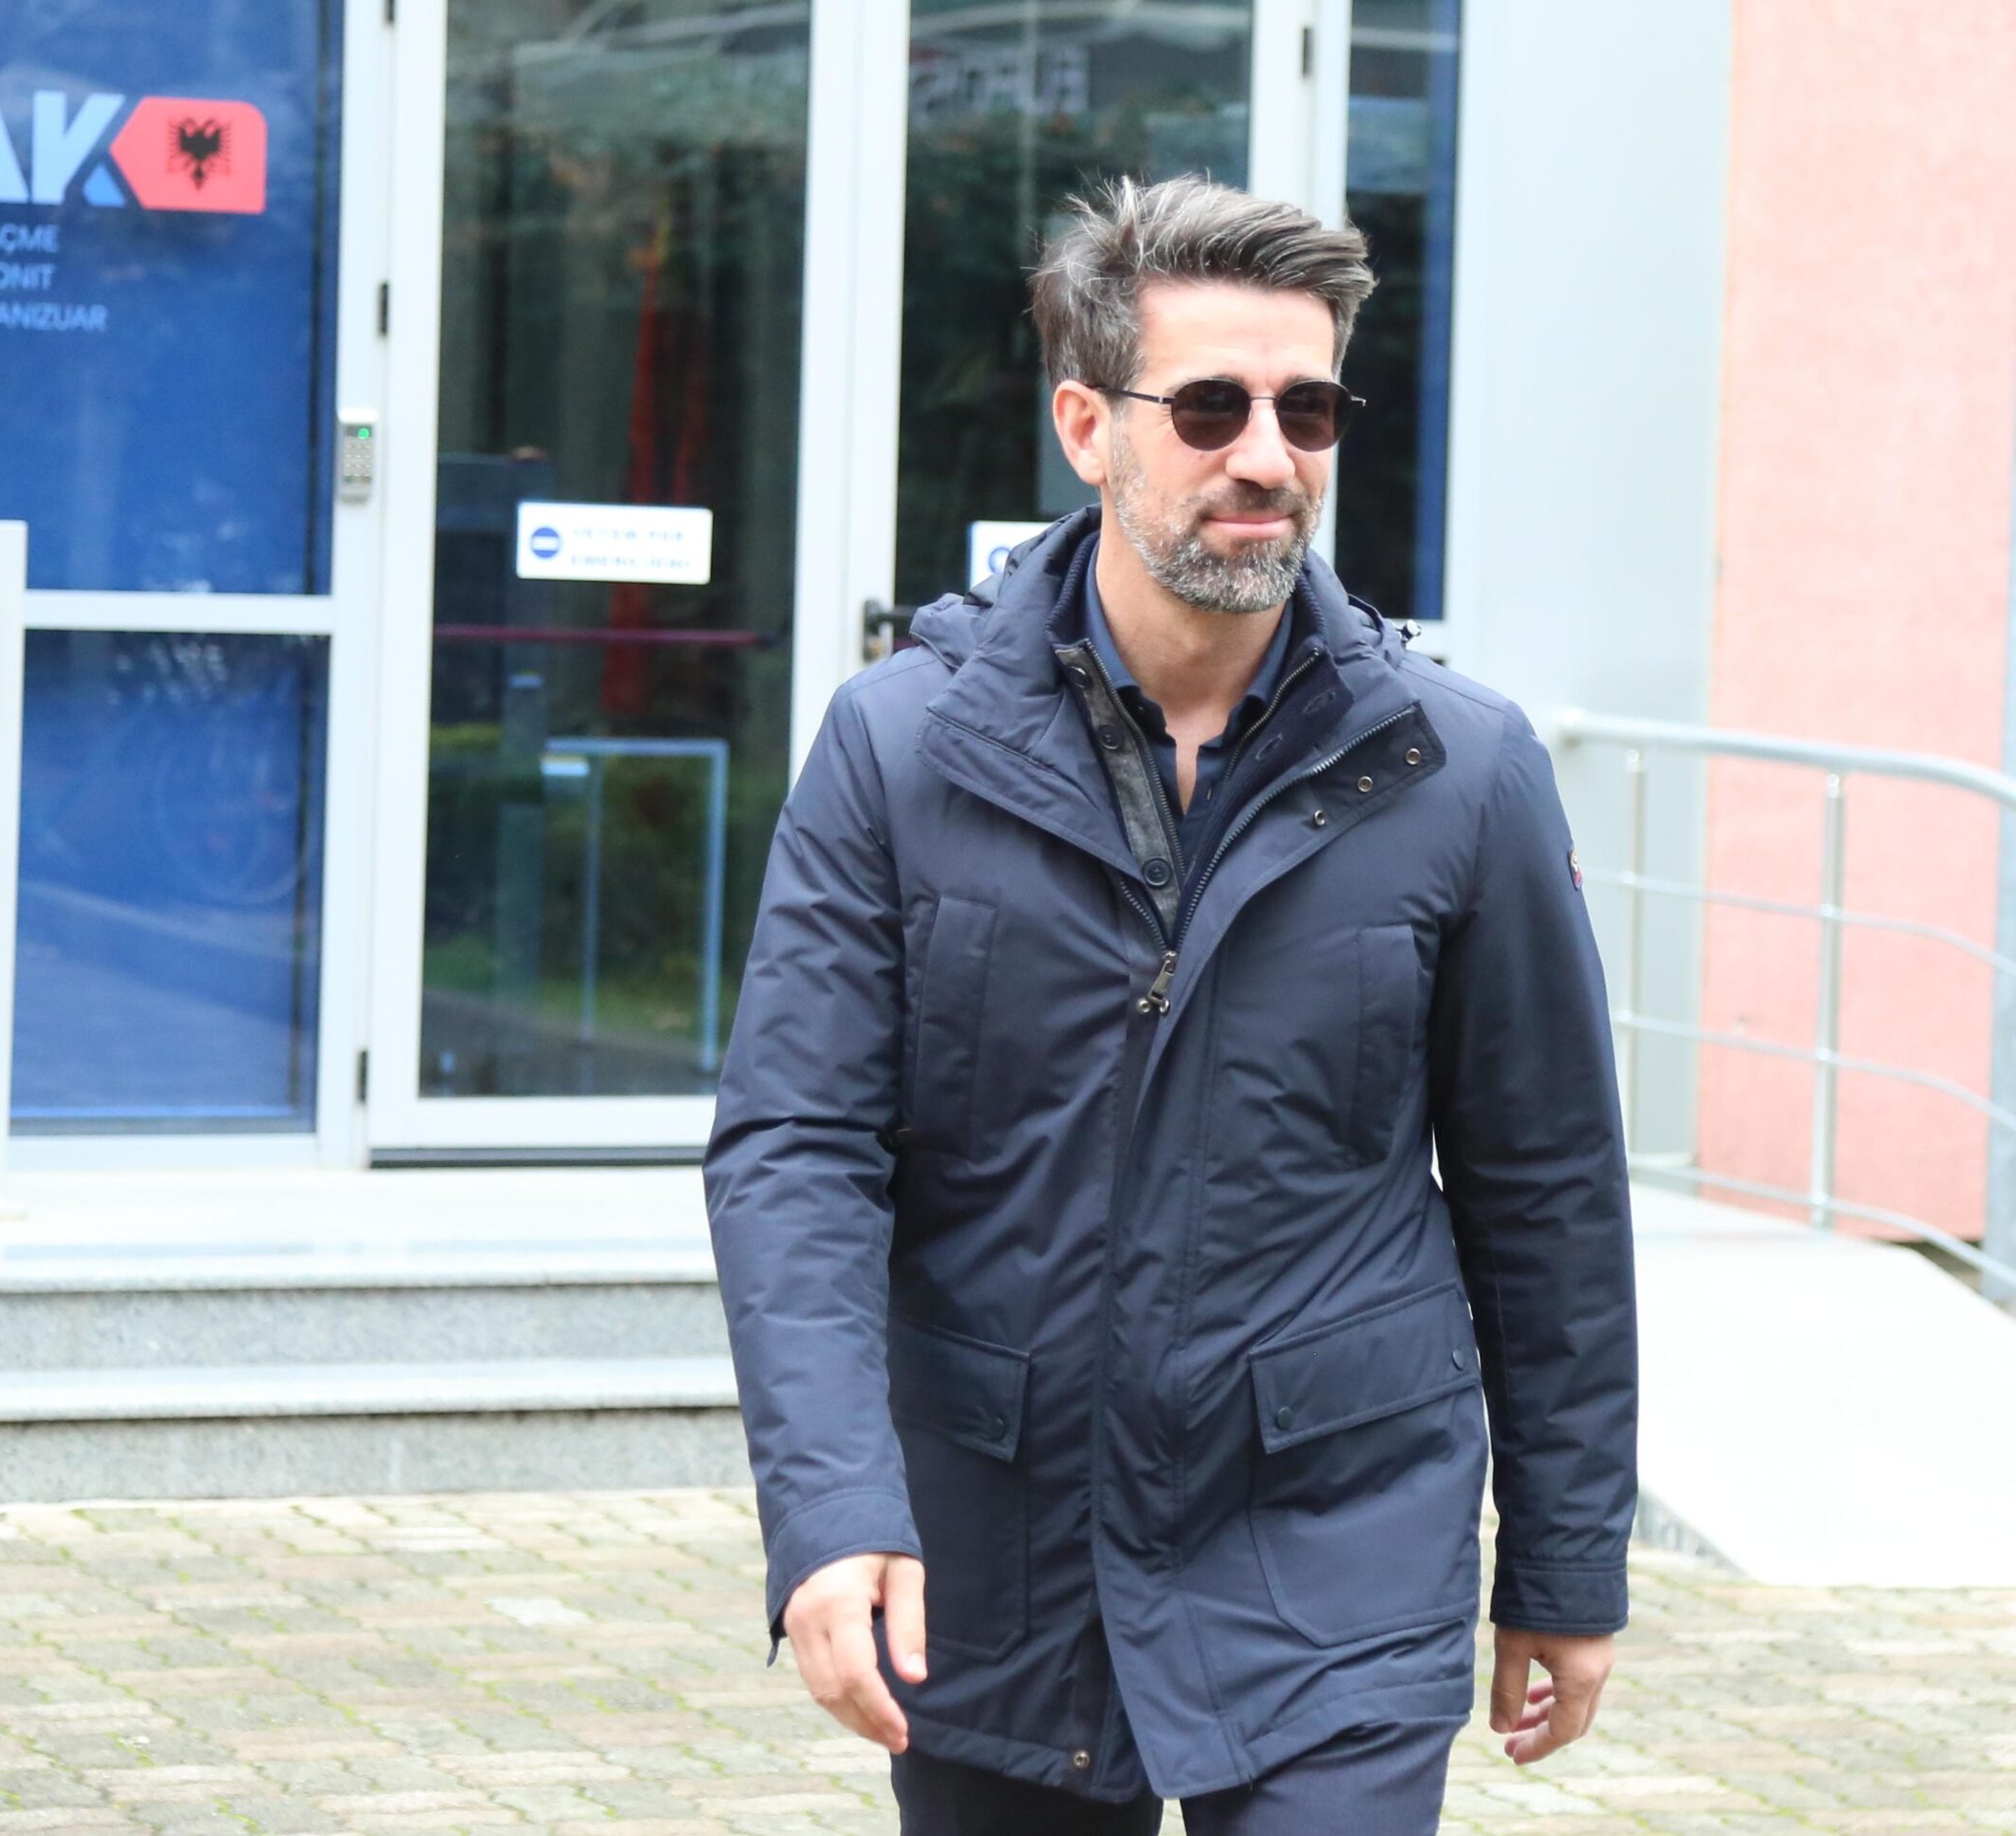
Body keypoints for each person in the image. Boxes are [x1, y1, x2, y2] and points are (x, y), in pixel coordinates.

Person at [703, 174, 1639, 1835]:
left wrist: (1566, 1559)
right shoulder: (901, 749)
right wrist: (834, 1509)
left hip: (1339, 1546)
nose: (1266, 456)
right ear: (1088, 425)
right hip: (997, 1552)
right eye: (1210, 407)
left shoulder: (1459, 769)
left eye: (1307, 409)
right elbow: (797, 1149)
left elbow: (1545, 1186)